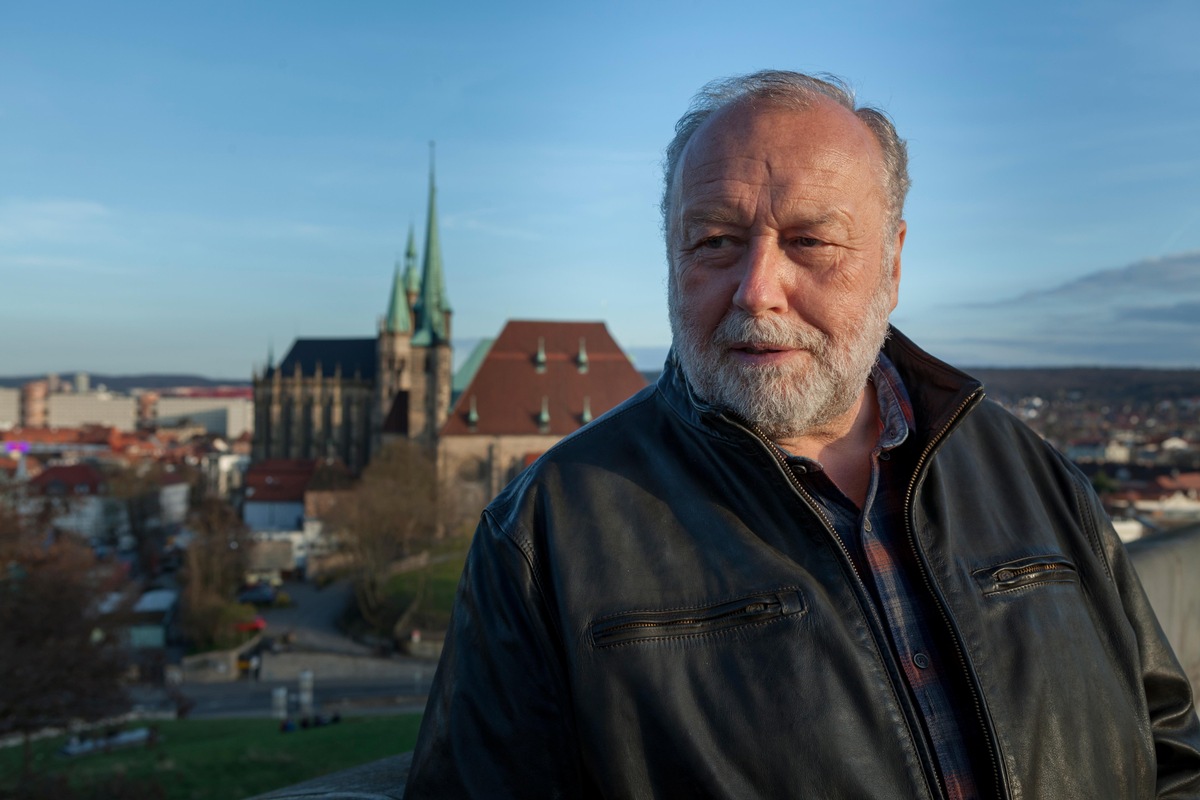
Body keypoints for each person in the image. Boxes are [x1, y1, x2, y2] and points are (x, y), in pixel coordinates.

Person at [405, 71, 1200, 799]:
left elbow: (1166, 754)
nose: (757, 290)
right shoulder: (545, 534)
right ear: (670, 255)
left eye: (810, 241)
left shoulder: (1038, 480)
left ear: (891, 262)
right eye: (714, 241)